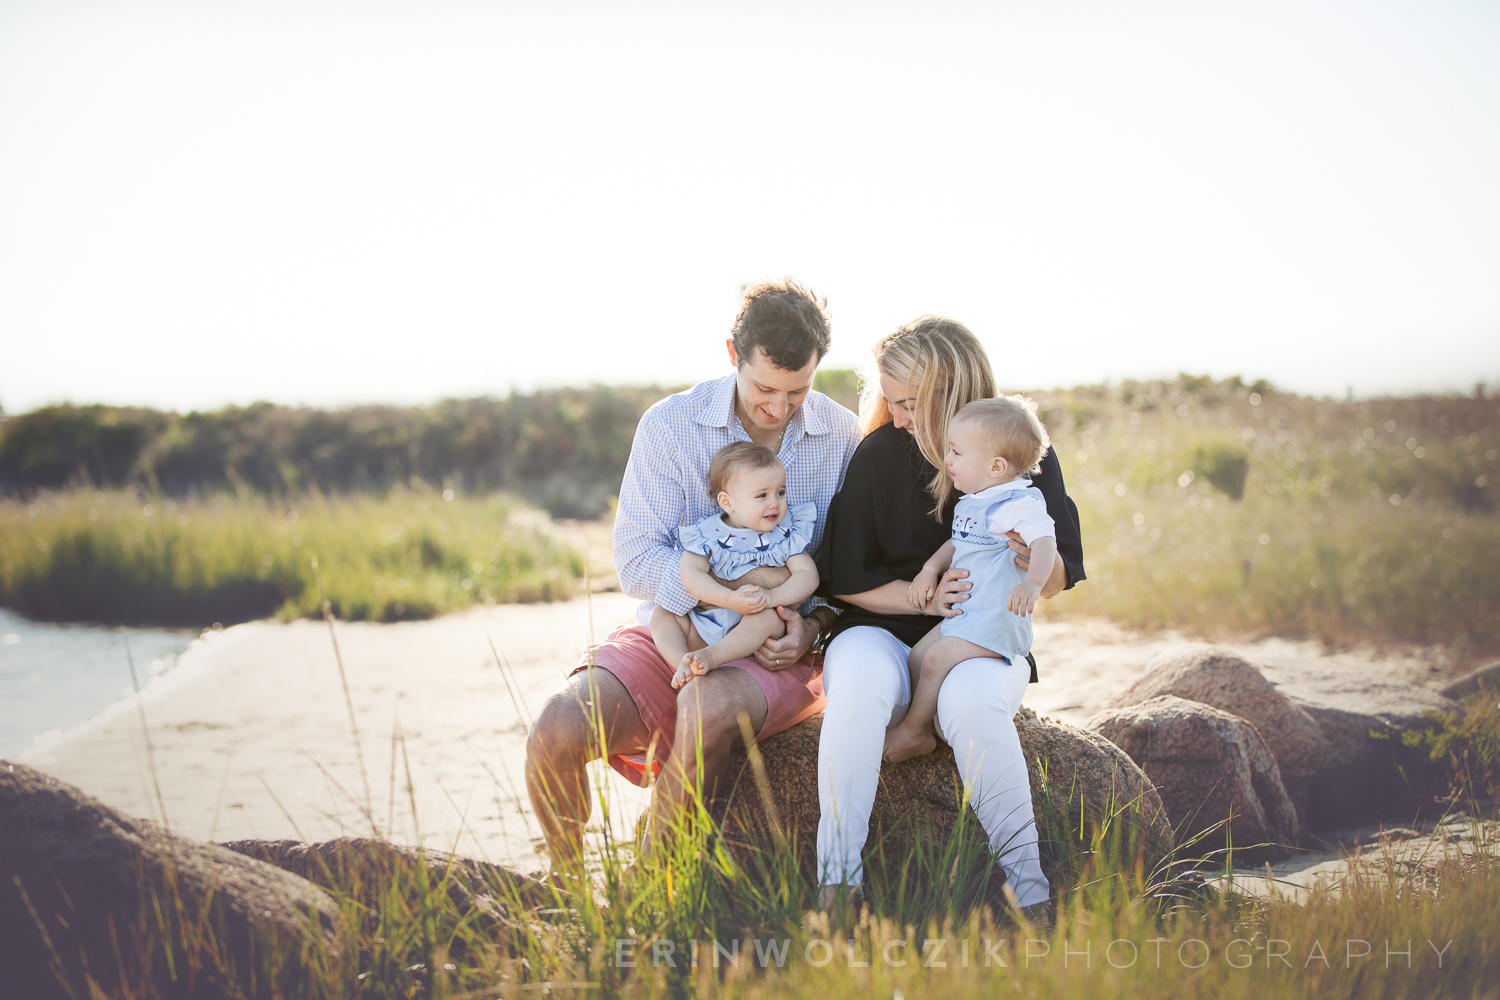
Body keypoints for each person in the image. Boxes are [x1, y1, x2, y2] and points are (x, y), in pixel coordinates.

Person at [525, 279, 858, 875]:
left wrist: (813, 629)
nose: (779, 408)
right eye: (764, 388)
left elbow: (846, 570)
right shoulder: (669, 426)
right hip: (675, 631)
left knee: (706, 705)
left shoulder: (840, 437)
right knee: (557, 730)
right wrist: (716, 594)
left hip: (779, 652)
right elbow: (633, 557)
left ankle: (650, 894)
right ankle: (569, 891)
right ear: (733, 354)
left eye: (798, 391)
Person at [812, 316, 1085, 917]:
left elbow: (1064, 570)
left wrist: (1032, 561)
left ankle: (1031, 894)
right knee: (857, 686)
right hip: (879, 631)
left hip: (982, 639)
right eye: (889, 402)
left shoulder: (1018, 453)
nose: (899, 417)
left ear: (949, 392)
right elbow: (844, 579)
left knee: (970, 704)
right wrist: (921, 596)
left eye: (909, 403)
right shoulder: (880, 453)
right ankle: (836, 887)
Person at [882, 395, 1058, 764]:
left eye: (957, 453)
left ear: (996, 466)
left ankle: (915, 732)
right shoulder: (975, 499)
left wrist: (1032, 585)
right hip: (967, 614)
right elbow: (955, 542)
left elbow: (1044, 541)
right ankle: (933, 722)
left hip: (995, 618)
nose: (947, 460)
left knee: (936, 661)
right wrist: (930, 570)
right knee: (918, 656)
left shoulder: (1016, 502)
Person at [649, 442, 819, 689]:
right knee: (663, 614)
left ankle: (713, 657)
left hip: (756, 638)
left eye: (780, 492)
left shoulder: (784, 532)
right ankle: (684, 663)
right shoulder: (708, 533)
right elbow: (690, 574)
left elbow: (808, 575)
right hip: (707, 625)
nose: (775, 503)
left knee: (766, 618)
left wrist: (772, 597)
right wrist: (728, 598)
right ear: (728, 503)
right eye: (762, 495)